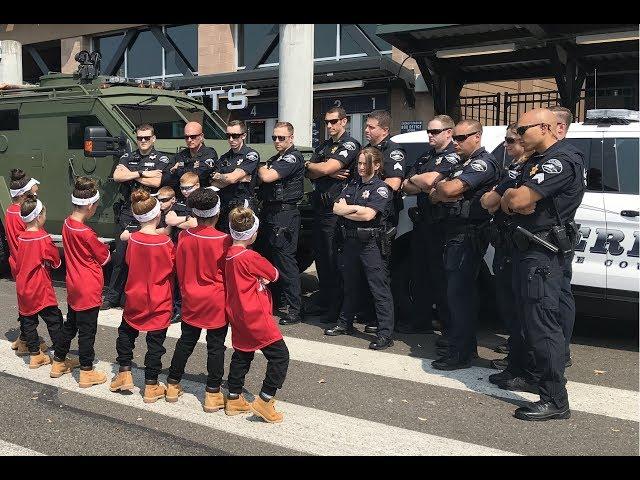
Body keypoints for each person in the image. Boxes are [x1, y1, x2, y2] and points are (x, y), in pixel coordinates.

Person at [501, 108, 584, 421]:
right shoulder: (536, 160)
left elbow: (519, 202)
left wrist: (514, 197)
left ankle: (555, 399)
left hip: (543, 253)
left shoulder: (560, 160)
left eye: (523, 130)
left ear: (547, 127)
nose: (519, 136)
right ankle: (536, 378)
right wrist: (513, 195)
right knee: (530, 319)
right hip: (530, 249)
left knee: (543, 324)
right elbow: (509, 199)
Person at [429, 119, 500, 370]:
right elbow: (435, 192)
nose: (455, 143)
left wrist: (444, 190)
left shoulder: (483, 163)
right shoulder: (461, 163)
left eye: (461, 138)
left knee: (460, 296)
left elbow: (448, 191)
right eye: (454, 138)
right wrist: (442, 189)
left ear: (477, 137)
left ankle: (461, 354)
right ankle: (462, 349)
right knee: (456, 295)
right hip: (454, 232)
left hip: (467, 234)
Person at [165, 188, 232, 412]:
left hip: (191, 297)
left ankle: (173, 384)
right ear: (217, 212)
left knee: (186, 341)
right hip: (216, 299)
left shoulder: (184, 236)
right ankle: (212, 393)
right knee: (216, 346)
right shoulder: (225, 240)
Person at [324, 147, 395, 350]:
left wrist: (348, 210)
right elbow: (337, 207)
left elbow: (368, 216)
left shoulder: (380, 188)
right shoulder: (352, 184)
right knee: (350, 285)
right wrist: (353, 210)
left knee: (378, 289)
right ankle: (345, 323)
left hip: (370, 243)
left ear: (378, 165)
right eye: (360, 163)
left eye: (366, 163)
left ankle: (385, 334)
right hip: (350, 242)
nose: (361, 167)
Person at [109, 189, 175, 404]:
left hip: (134, 295)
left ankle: (124, 372)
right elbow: (172, 267)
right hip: (159, 297)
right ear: (158, 215)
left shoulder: (133, 240)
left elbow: (128, 261)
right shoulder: (166, 244)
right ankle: (151, 385)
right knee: (156, 343)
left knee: (126, 333)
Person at [225, 207, 290, 423]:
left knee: (243, 353)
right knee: (279, 355)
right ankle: (265, 399)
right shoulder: (250, 256)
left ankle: (234, 396)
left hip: (237, 312)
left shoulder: (228, 253)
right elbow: (274, 273)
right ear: (252, 234)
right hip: (255, 312)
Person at [480, 125, 534, 379]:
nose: (506, 145)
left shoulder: (530, 168)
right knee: (509, 308)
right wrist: (502, 200)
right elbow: (488, 202)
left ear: (525, 142)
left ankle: (525, 367)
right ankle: (515, 362)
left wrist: (501, 199)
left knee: (523, 309)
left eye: (511, 140)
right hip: (505, 242)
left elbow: (505, 202)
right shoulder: (512, 169)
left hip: (521, 247)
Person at [401, 114, 459, 335]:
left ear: (448, 133)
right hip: (422, 222)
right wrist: (422, 181)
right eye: (429, 131)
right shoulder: (426, 156)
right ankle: (421, 322)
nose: (430, 135)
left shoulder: (454, 156)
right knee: (419, 275)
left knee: (441, 278)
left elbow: (424, 180)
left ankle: (448, 328)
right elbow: (407, 185)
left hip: (442, 224)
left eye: (435, 132)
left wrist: (421, 180)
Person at [102, 123, 170, 310]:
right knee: (121, 256)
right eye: (140, 138)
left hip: (150, 212)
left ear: (153, 139)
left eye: (147, 138)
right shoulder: (128, 156)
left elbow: (157, 181)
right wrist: (141, 173)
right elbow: (117, 176)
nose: (143, 141)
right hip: (128, 210)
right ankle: (113, 296)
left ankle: (143, 297)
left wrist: (131, 175)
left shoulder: (162, 157)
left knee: (148, 257)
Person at [304, 107, 360, 323]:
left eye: (333, 121)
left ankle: (336, 308)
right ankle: (326, 300)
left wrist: (322, 168)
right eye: (326, 122)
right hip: (320, 207)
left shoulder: (349, 144)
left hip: (336, 211)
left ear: (344, 121)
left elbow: (329, 167)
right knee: (321, 259)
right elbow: (310, 171)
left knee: (333, 259)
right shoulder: (325, 146)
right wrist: (318, 167)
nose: (329, 126)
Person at [55, 177, 110, 387]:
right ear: (89, 206)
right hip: (89, 286)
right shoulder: (87, 233)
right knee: (88, 331)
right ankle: (87, 371)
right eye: (95, 205)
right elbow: (104, 257)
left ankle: (58, 360)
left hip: (73, 284)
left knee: (71, 324)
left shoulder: (67, 223)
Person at [15, 194, 76, 371]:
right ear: (39, 216)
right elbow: (56, 261)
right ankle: (60, 355)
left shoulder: (21, 237)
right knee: (54, 320)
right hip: (40, 287)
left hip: (23, 287)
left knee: (28, 321)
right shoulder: (43, 238)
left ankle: (35, 355)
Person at [357, 110, 406, 332]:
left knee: (380, 274)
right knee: (365, 272)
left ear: (384, 130)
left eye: (371, 127)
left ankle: (383, 322)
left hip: (382, 220)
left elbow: (394, 183)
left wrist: (369, 191)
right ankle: (369, 314)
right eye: (366, 126)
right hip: (363, 219)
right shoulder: (367, 151)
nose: (366, 130)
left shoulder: (393, 151)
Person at [256, 122, 304, 325]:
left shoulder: (292, 157)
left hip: (285, 215)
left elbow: (266, 176)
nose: (277, 141)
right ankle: (276, 301)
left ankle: (295, 310)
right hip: (271, 212)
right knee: (269, 260)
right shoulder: (277, 158)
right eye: (275, 137)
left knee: (286, 263)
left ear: (291, 138)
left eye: (281, 138)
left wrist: (260, 167)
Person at [549, 105, 583, 367]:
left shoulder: (562, 158)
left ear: (560, 127)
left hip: (553, 238)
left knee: (559, 295)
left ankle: (560, 351)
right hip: (553, 236)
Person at [6, 169, 46, 355]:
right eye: (31, 194)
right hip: (26, 265)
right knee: (32, 307)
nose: (34, 196)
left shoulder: (10, 210)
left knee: (25, 304)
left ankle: (23, 338)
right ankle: (28, 342)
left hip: (17, 262)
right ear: (22, 195)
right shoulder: (22, 215)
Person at [211, 120, 260, 234]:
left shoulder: (250, 155)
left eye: (235, 136)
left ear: (244, 135)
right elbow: (213, 182)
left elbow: (232, 178)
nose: (231, 139)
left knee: (242, 238)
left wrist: (224, 177)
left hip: (242, 205)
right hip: (224, 205)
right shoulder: (224, 158)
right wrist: (239, 179)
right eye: (228, 136)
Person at [165, 172, 199, 323]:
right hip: (178, 244)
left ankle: (190, 308)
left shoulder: (200, 202)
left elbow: (195, 224)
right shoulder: (179, 203)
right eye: (182, 188)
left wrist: (178, 221)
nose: (185, 191)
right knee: (178, 279)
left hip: (194, 246)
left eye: (188, 188)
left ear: (197, 186)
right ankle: (178, 309)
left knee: (191, 280)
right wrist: (186, 220)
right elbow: (168, 219)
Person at [168, 121, 218, 190]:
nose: (189, 140)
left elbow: (200, 174)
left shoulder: (209, 153)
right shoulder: (181, 155)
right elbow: (168, 175)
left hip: (202, 194)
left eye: (193, 137)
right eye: (186, 137)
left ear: (201, 136)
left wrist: (178, 170)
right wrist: (192, 169)